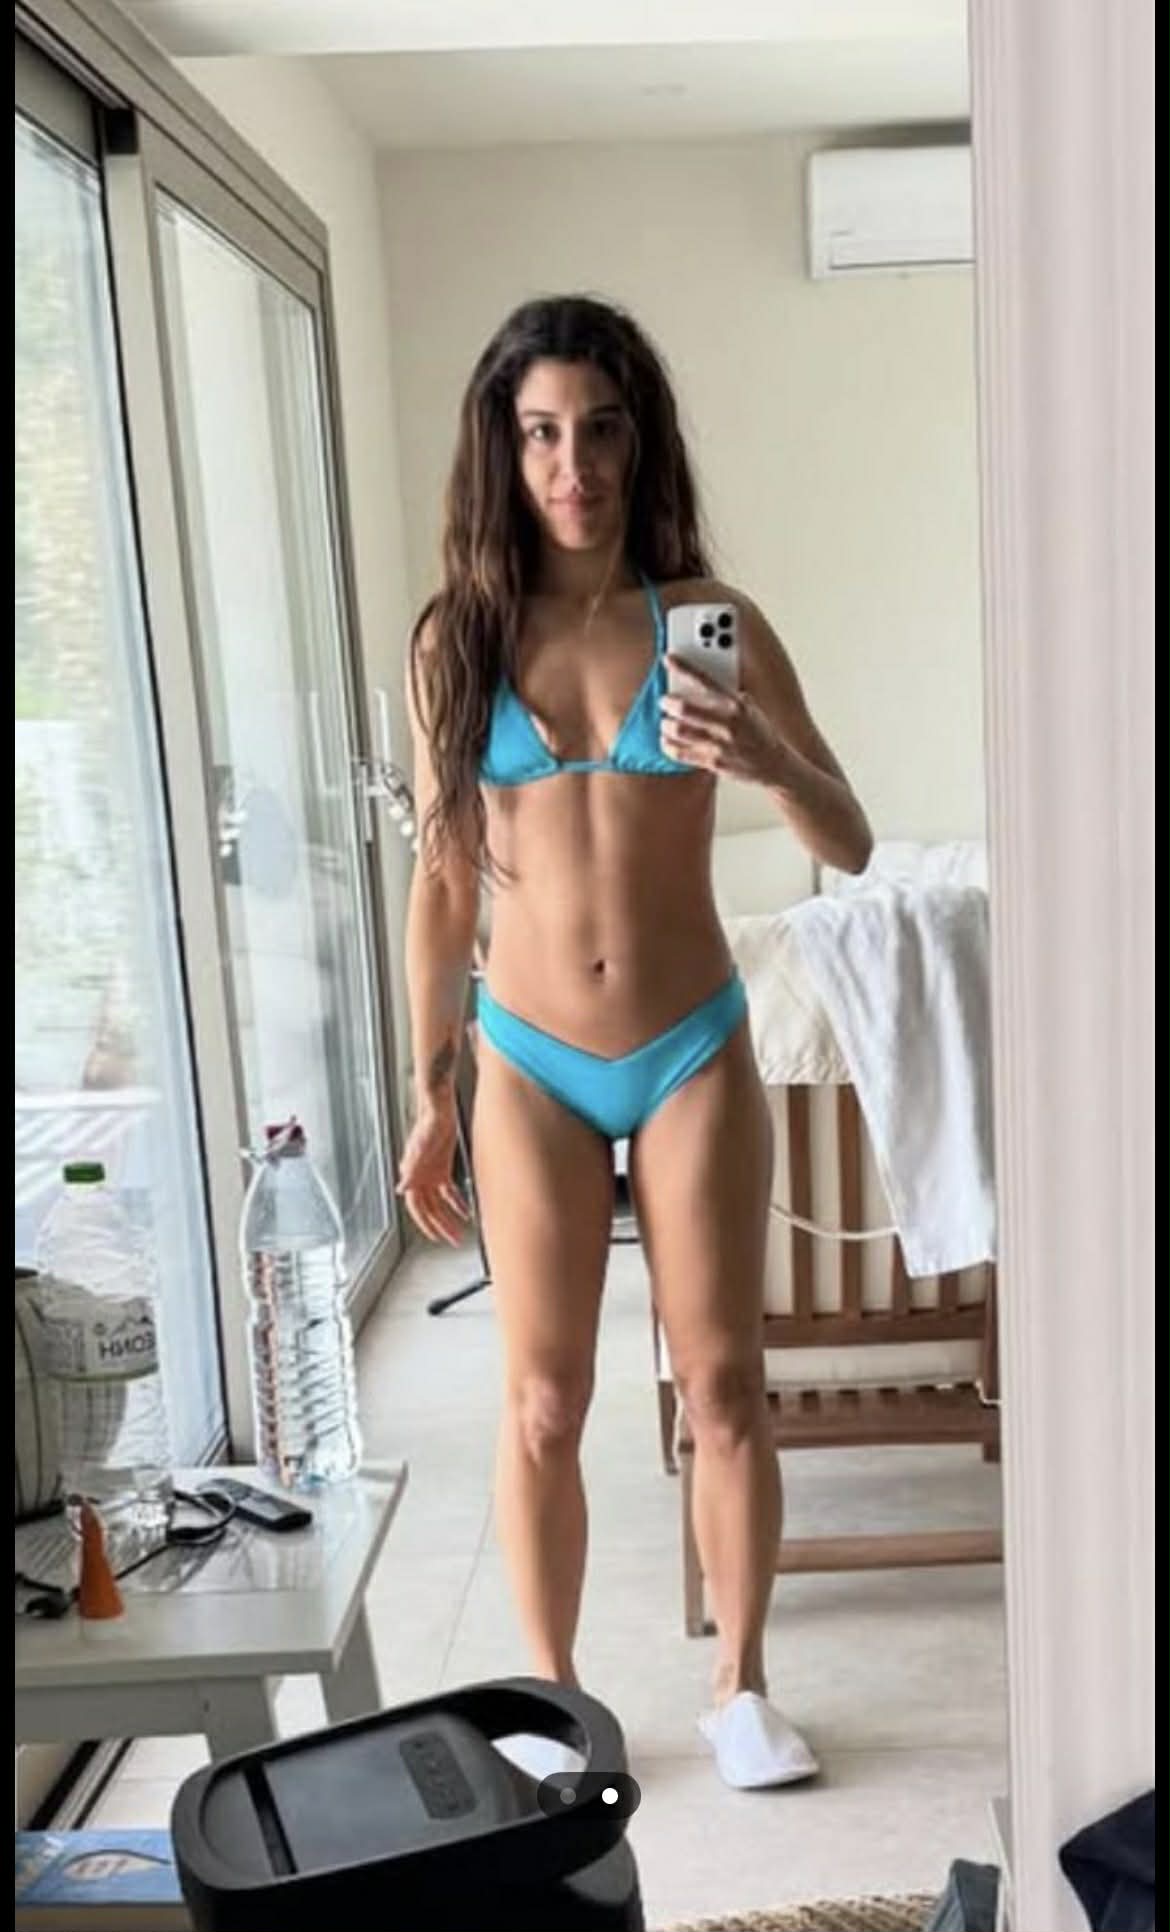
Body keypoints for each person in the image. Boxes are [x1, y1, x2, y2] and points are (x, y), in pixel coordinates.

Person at [399, 295, 872, 1790]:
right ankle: (550, 1700)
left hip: (687, 1043)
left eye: (599, 430)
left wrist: (769, 757)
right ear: (504, 448)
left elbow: (849, 840)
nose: (573, 466)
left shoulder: (706, 618)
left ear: (638, 441)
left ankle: (741, 1687)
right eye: (542, 433)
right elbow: (444, 880)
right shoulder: (460, 639)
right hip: (529, 1056)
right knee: (543, 1398)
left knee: (724, 1383)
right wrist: (428, 1085)